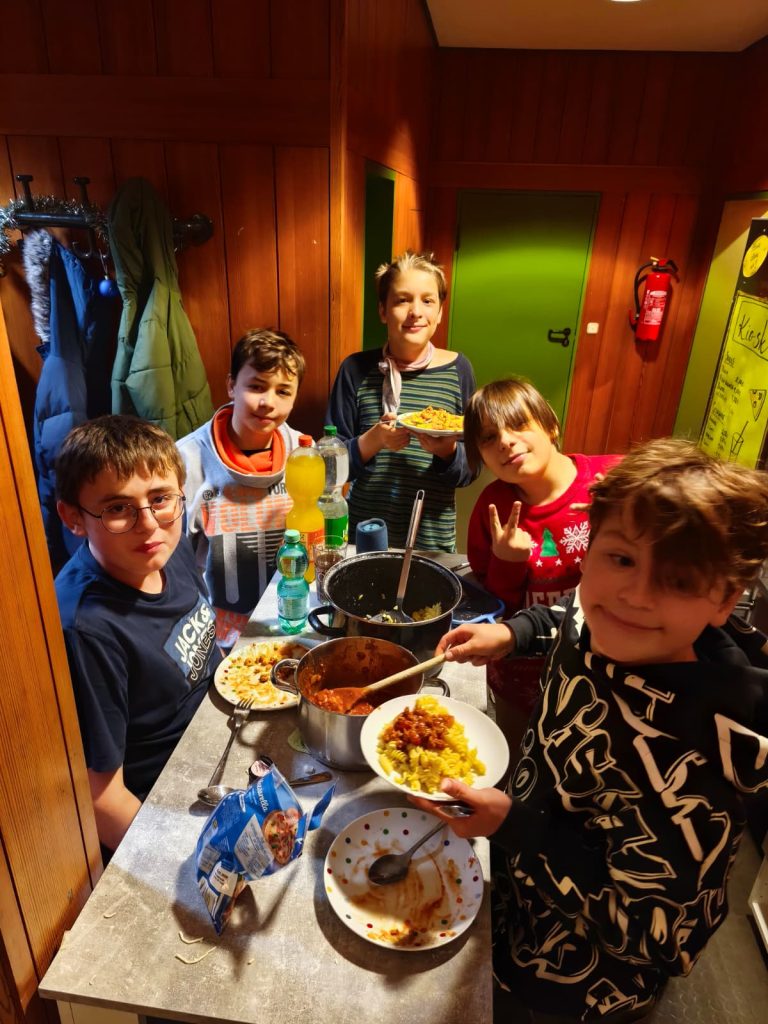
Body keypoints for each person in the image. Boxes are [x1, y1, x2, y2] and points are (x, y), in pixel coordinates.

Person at [424, 438, 768, 1023]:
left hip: (574, 986)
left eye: (679, 579)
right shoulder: (609, 621)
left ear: (725, 600)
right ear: (590, 551)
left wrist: (517, 826)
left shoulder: (700, 761)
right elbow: (576, 613)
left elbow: (657, 936)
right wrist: (514, 633)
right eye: (622, 559)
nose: (635, 594)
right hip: (512, 899)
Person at [55, 415, 221, 853]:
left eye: (160, 498)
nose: (148, 524)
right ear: (73, 517)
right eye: (117, 508)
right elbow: (102, 799)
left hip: (219, 739)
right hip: (165, 803)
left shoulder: (167, 545)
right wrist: (187, 864)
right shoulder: (86, 629)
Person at [463, 378, 620, 754]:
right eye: (489, 438)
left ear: (551, 426)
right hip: (519, 681)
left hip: (602, 680)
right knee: (521, 764)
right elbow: (494, 609)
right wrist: (507, 563)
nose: (505, 441)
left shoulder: (611, 480)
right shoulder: (492, 508)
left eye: (519, 424)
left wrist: (623, 516)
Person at [327, 251, 476, 551]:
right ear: (383, 310)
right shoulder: (355, 369)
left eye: (427, 300)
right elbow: (330, 469)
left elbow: (470, 470)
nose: (416, 311)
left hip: (430, 539)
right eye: (402, 300)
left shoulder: (459, 370)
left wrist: (446, 452)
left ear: (440, 312)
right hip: (362, 535)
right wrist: (374, 440)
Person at [178, 328, 305, 647]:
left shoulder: (304, 454)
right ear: (231, 385)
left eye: (283, 391)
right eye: (256, 386)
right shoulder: (186, 460)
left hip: (290, 622)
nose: (268, 402)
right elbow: (176, 567)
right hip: (217, 634)